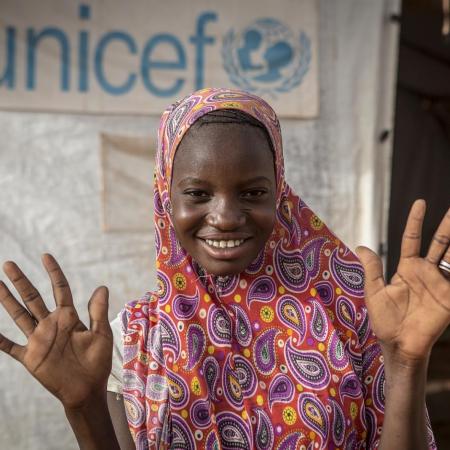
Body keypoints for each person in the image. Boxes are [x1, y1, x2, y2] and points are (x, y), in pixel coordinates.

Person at [0, 88, 448, 450]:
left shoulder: (352, 314)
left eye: (252, 193)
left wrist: (407, 363)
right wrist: (83, 406)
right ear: (165, 198)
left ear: (281, 194)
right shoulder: (132, 341)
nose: (226, 216)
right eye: (197, 193)